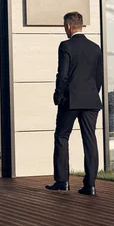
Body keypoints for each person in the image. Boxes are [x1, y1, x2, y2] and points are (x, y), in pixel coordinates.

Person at [46, 12, 103, 196]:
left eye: (64, 26)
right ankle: (90, 185)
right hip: (91, 100)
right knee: (90, 140)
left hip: (70, 100)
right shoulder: (95, 48)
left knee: (62, 136)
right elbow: (99, 77)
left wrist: (58, 95)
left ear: (69, 26)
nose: (65, 29)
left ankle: (62, 181)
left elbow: (62, 75)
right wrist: (92, 93)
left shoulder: (66, 46)